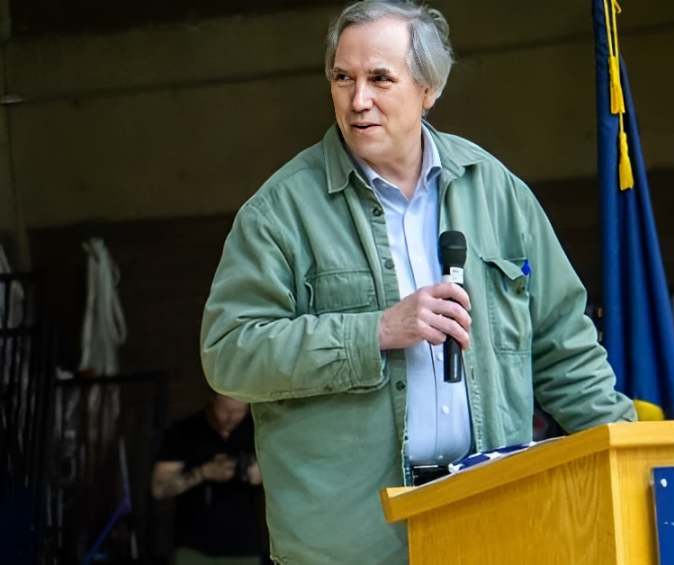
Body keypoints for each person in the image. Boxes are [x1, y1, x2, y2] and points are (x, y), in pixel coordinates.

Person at [199, 2, 636, 563]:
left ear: (429, 88)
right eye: (343, 79)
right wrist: (376, 331)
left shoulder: (496, 191)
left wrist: (638, 453)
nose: (359, 100)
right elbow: (228, 353)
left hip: (491, 524)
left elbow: (563, 350)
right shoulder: (279, 211)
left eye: (380, 79)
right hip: (350, 545)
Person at [151, 393, 263, 565]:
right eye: (225, 411)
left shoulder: (257, 431)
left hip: (244, 546)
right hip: (193, 546)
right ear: (212, 401)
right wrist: (203, 473)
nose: (231, 418)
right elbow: (159, 488)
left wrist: (263, 474)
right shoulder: (184, 430)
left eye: (238, 412)